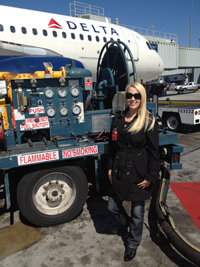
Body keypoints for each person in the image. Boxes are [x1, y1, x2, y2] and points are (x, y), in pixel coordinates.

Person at [107, 82, 160, 262]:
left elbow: (154, 152)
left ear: (142, 98)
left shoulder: (148, 120)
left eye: (137, 96)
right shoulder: (118, 118)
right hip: (120, 167)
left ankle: (133, 243)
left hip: (139, 169)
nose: (133, 99)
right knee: (112, 207)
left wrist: (151, 176)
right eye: (130, 95)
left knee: (138, 212)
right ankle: (126, 224)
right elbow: (111, 146)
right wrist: (109, 167)